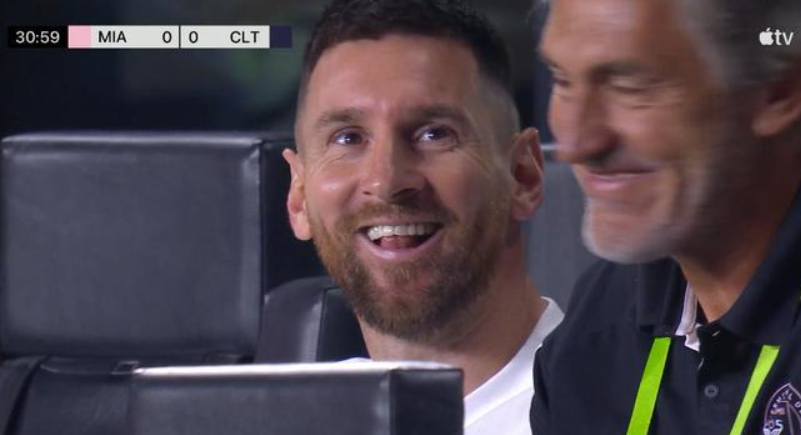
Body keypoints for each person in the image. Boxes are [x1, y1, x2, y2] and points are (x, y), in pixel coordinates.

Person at [282, 1, 563, 434]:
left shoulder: (613, 406)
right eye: (348, 138)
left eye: (434, 134)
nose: (386, 180)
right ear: (299, 198)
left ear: (522, 176)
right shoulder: (285, 417)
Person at [530, 0, 801, 433]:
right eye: (562, 80)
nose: (576, 144)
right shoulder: (596, 322)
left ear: (779, 91)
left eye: (629, 86)